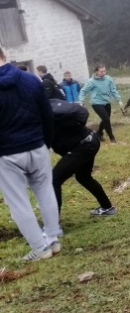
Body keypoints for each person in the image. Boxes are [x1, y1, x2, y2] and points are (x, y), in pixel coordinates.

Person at [0, 46, 62, 261]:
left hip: (6, 154)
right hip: (37, 145)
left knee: (18, 202)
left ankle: (40, 248)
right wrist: (47, 143)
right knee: (46, 191)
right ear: (4, 54)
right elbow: (48, 114)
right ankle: (53, 238)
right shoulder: (31, 79)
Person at [50, 100, 117, 216]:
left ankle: (52, 226)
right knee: (83, 177)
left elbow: (82, 111)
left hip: (82, 146)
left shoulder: (47, 109)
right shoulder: (47, 105)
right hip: (89, 140)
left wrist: (73, 126)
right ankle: (107, 208)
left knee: (54, 179)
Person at [78, 64, 122, 143]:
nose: (103, 73)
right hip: (96, 102)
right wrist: (81, 100)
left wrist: (118, 100)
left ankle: (99, 134)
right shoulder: (91, 81)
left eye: (104, 71)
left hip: (106, 102)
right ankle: (112, 138)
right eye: (101, 71)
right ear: (96, 72)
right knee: (106, 119)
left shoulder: (108, 79)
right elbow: (83, 91)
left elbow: (113, 90)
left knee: (105, 119)